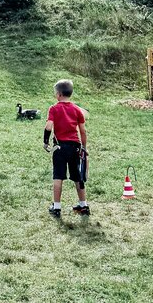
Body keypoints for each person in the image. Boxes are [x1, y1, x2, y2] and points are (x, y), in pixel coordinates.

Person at [44, 79, 89, 218]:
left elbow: (49, 126)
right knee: (78, 177)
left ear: (58, 94)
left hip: (60, 147)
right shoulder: (77, 109)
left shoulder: (54, 108)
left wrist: (45, 141)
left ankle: (56, 207)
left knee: (58, 177)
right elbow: (83, 131)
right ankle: (83, 205)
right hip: (75, 147)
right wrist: (83, 147)